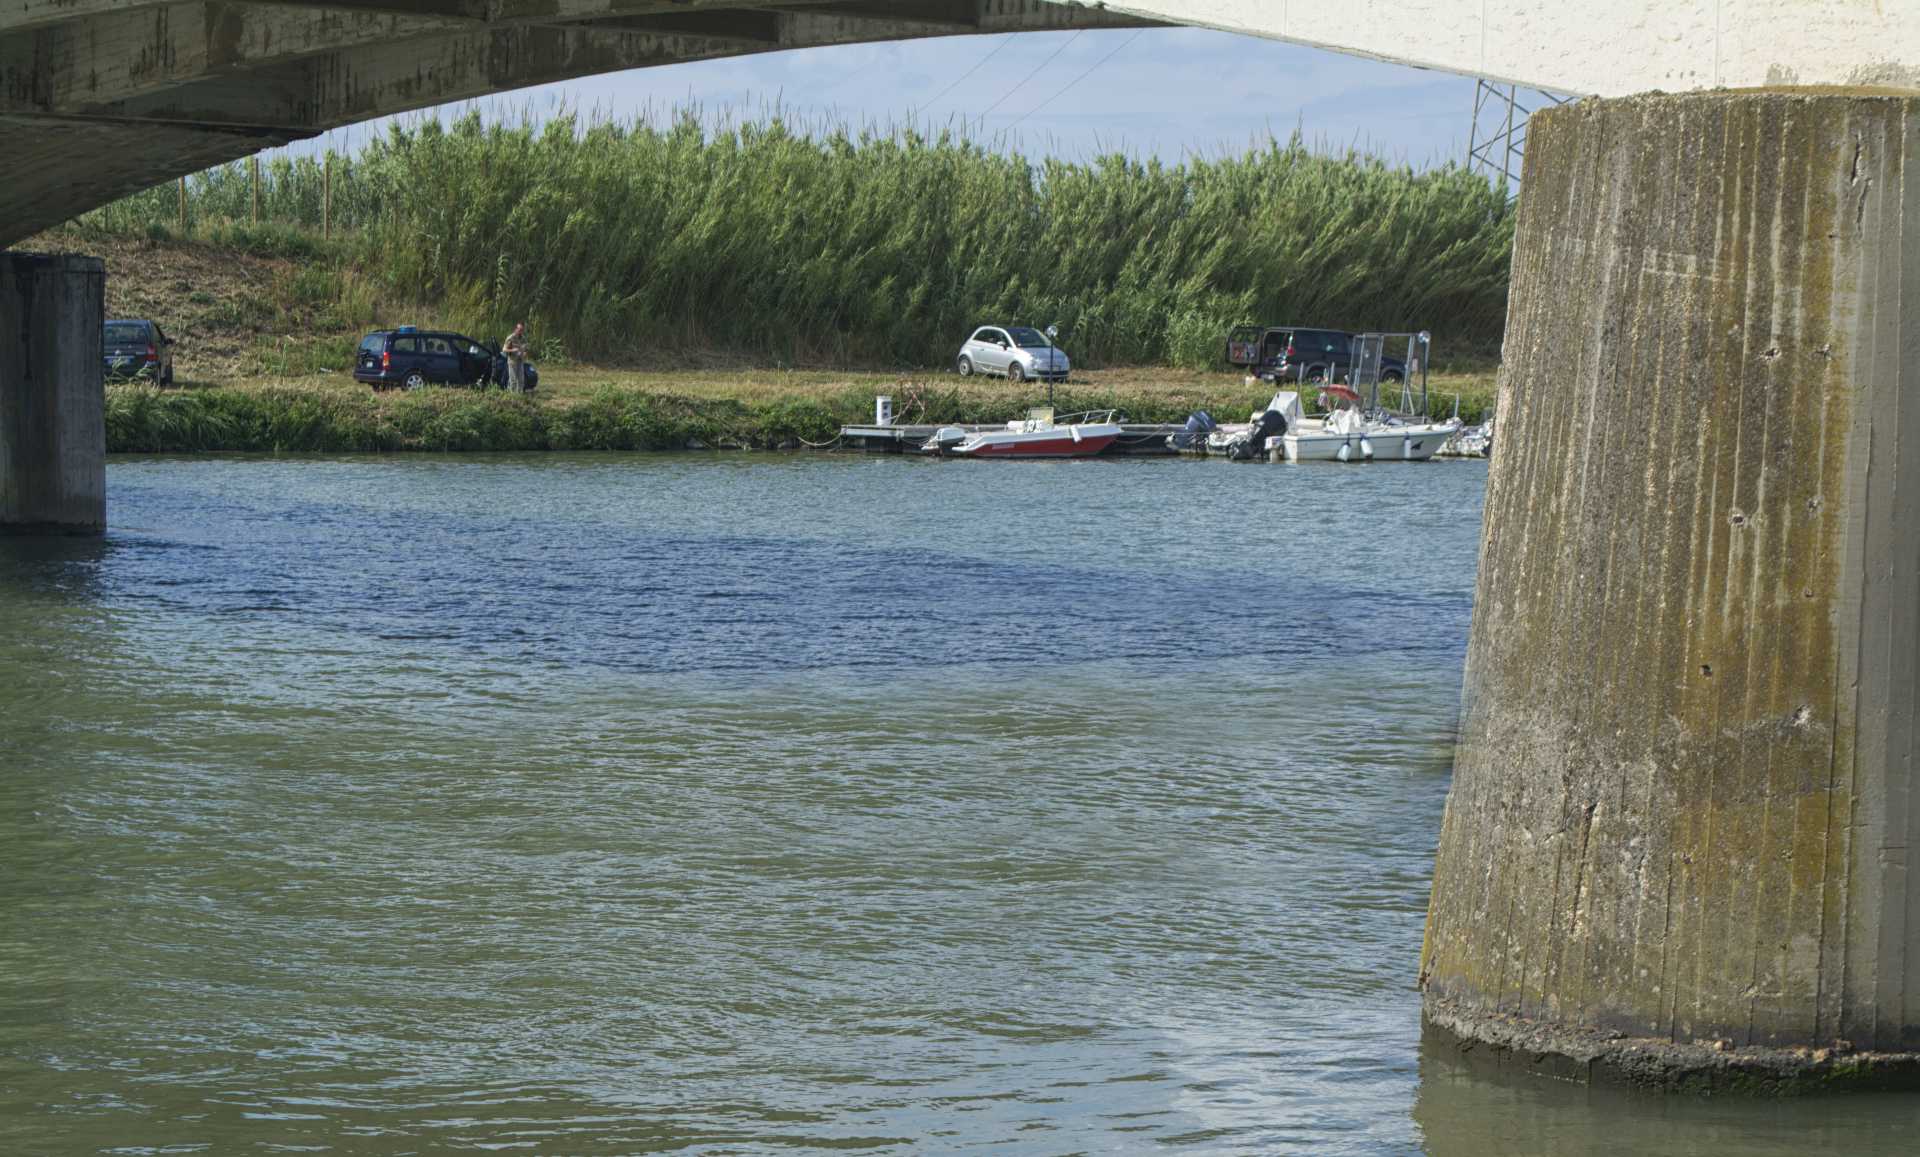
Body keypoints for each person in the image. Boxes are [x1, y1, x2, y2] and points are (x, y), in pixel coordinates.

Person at [501, 322, 528, 393]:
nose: (521, 331)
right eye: (519, 329)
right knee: (513, 380)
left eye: (522, 330)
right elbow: (504, 349)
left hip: (520, 360)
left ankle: (520, 395)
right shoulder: (510, 338)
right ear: (516, 329)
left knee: (521, 379)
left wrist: (524, 353)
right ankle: (512, 397)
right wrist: (512, 350)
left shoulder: (523, 338)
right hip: (512, 361)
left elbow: (525, 349)